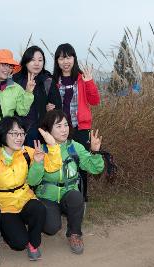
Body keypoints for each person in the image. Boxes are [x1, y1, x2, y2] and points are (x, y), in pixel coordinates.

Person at [28, 110, 104, 254]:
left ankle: (74, 233)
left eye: (65, 125)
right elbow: (32, 181)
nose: (64, 129)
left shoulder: (74, 147)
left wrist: (95, 152)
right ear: (48, 130)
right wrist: (37, 163)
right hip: (47, 197)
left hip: (68, 193)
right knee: (51, 228)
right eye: (58, 126)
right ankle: (49, 217)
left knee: (76, 197)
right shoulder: (41, 150)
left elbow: (95, 169)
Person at [0, 116, 62, 261]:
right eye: (14, 133)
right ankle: (10, 228)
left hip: (25, 199)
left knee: (39, 208)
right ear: (3, 134)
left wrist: (52, 146)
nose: (19, 138)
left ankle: (34, 244)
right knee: (19, 243)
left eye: (22, 133)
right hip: (5, 206)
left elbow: (53, 166)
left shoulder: (27, 152)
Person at [48, 43, 101, 202]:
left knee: (81, 162)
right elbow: (48, 103)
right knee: (60, 161)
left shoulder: (82, 77)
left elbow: (95, 101)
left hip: (80, 128)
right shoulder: (52, 81)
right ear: (57, 61)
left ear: (74, 59)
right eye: (62, 57)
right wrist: (47, 107)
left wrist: (90, 82)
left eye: (69, 57)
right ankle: (62, 196)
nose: (66, 61)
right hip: (60, 129)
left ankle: (81, 197)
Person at [13, 46, 56, 147]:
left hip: (41, 132)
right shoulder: (15, 80)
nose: (37, 63)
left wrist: (49, 110)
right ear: (26, 61)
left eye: (40, 60)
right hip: (18, 132)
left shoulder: (48, 81)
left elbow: (56, 107)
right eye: (32, 60)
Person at [0, 49, 34, 122]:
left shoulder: (16, 88)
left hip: (6, 131)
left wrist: (28, 92)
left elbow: (22, 112)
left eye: (10, 66)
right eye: (4, 65)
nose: (7, 69)